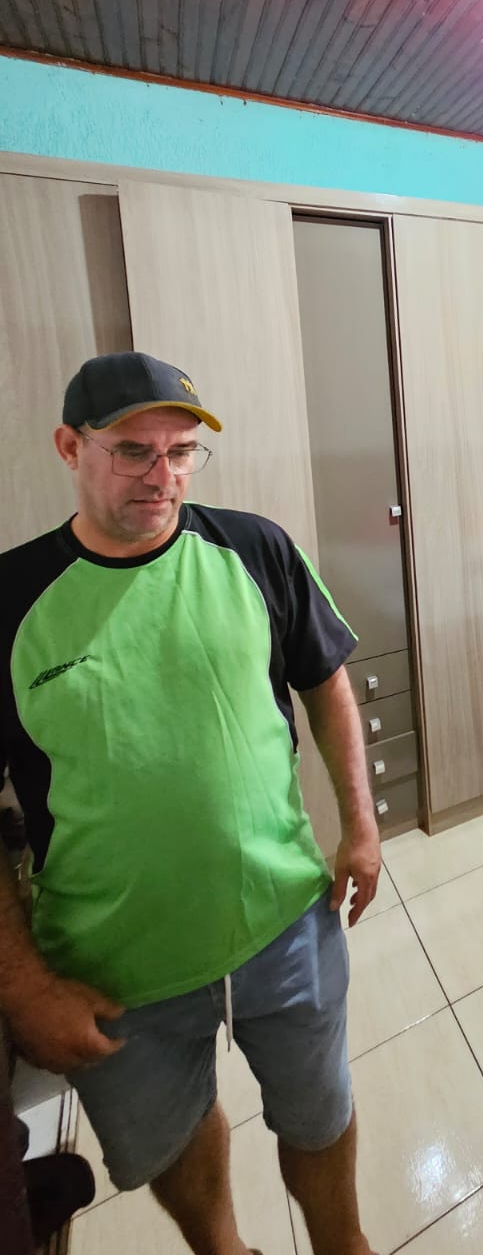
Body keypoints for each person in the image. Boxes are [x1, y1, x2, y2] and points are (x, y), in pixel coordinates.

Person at [0, 351, 382, 1255]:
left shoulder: (254, 549)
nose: (162, 477)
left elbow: (325, 680)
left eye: (180, 453)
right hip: (115, 970)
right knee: (175, 1142)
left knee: (320, 1112)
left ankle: (343, 1245)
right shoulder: (12, 601)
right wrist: (24, 986)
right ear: (69, 447)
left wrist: (361, 827)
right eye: (134, 451)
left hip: (285, 923)